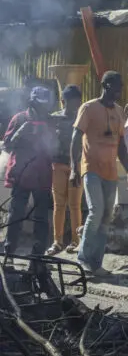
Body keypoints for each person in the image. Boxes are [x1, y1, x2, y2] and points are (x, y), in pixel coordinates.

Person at [70, 71, 128, 276]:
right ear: (106, 85)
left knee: (106, 217)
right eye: (117, 86)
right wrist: (74, 168)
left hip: (110, 172)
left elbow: (122, 146)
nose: (120, 90)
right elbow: (75, 138)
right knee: (96, 211)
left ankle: (96, 263)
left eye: (121, 86)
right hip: (91, 168)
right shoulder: (89, 108)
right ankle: (83, 258)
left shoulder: (119, 111)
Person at [3, 86, 55, 256]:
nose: (43, 109)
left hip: (43, 177)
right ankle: (9, 253)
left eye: (45, 105)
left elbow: (56, 149)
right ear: (32, 103)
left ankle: (38, 257)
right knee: (16, 216)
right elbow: (8, 145)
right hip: (22, 175)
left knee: (41, 218)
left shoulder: (51, 121)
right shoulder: (19, 119)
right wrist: (20, 133)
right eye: (40, 105)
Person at [46, 85, 83, 256]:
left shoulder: (83, 117)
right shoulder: (54, 119)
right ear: (63, 101)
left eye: (77, 102)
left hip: (78, 166)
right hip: (58, 166)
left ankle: (76, 242)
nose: (74, 106)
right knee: (59, 205)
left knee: (75, 206)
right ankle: (58, 242)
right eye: (71, 103)